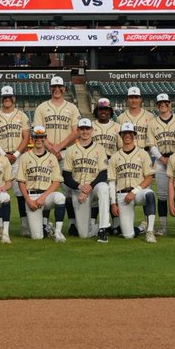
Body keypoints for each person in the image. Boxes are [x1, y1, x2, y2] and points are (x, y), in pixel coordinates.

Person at [33, 76, 81, 227]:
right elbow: (38, 131)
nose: (57, 89)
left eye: (60, 86)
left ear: (64, 88)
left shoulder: (72, 108)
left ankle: (72, 223)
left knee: (68, 188)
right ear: (50, 89)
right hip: (47, 152)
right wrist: (52, 148)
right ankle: (45, 223)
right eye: (54, 86)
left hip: (66, 152)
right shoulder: (42, 107)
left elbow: (76, 132)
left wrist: (59, 147)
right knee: (46, 186)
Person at [0, 85, 31, 233]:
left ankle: (25, 225)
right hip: (1, 157)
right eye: (4, 97)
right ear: (1, 99)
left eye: (9, 97)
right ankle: (1, 226)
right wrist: (5, 156)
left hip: (18, 157)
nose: (7, 99)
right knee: (0, 191)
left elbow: (26, 137)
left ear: (14, 98)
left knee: (20, 192)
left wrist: (16, 155)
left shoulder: (22, 115)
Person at [107, 122, 157, 241]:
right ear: (121, 135)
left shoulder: (143, 154)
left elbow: (149, 177)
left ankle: (150, 231)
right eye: (125, 133)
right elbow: (112, 182)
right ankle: (141, 228)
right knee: (128, 236)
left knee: (150, 194)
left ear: (134, 135)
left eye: (130, 133)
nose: (127, 135)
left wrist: (134, 191)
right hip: (122, 195)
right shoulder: (114, 157)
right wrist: (113, 203)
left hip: (138, 192)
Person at [62, 118, 111, 239]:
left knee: (104, 187)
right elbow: (66, 176)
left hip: (94, 187)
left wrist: (89, 187)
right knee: (84, 234)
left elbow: (103, 173)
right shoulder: (70, 150)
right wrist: (80, 187)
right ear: (78, 130)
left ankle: (103, 228)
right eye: (82, 129)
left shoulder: (99, 148)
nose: (85, 132)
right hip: (79, 190)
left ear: (92, 130)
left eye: (87, 129)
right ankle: (100, 227)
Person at [17, 126, 67, 241]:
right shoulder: (24, 157)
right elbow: (21, 182)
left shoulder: (52, 158)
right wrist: (28, 200)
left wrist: (43, 197)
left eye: (41, 137)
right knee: (37, 237)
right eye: (36, 137)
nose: (39, 140)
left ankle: (58, 233)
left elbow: (56, 182)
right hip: (31, 197)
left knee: (60, 197)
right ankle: (47, 227)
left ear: (45, 138)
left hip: (46, 195)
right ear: (32, 138)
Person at [147, 93, 175, 235]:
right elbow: (151, 145)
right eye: (160, 103)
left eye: (165, 102)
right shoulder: (152, 123)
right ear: (157, 105)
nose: (162, 105)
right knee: (163, 195)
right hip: (160, 160)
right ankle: (163, 228)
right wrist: (162, 158)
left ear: (170, 103)